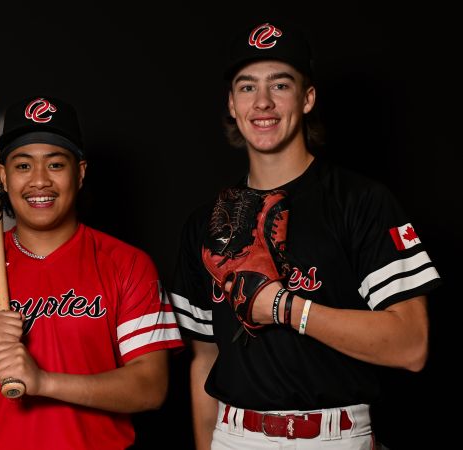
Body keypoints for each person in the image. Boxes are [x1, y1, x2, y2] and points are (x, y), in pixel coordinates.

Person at [170, 21, 441, 449]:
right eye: (246, 87)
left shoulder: (360, 201)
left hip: (333, 435)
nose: (262, 102)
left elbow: (411, 345)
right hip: (234, 435)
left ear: (308, 97)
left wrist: (283, 307)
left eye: (280, 85)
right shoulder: (206, 224)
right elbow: (204, 359)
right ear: (231, 103)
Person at [0, 95, 184, 449]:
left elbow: (150, 388)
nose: (39, 181)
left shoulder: (126, 263)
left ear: (80, 173)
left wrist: (43, 383)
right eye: (23, 166)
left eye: (55, 165)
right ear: (3, 177)